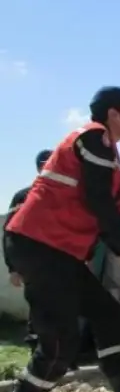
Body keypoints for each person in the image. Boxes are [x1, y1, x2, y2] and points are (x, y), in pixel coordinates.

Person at [4, 86, 120, 392]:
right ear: (113, 114)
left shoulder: (106, 150)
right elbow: (99, 202)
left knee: (108, 315)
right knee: (59, 345)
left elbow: (99, 210)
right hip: (42, 247)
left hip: (58, 252)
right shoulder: (93, 137)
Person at [3, 150, 51, 354]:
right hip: (34, 262)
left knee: (65, 309)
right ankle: (37, 355)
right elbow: (9, 232)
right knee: (38, 307)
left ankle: (66, 358)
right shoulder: (23, 196)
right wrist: (12, 268)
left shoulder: (67, 194)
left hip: (62, 261)